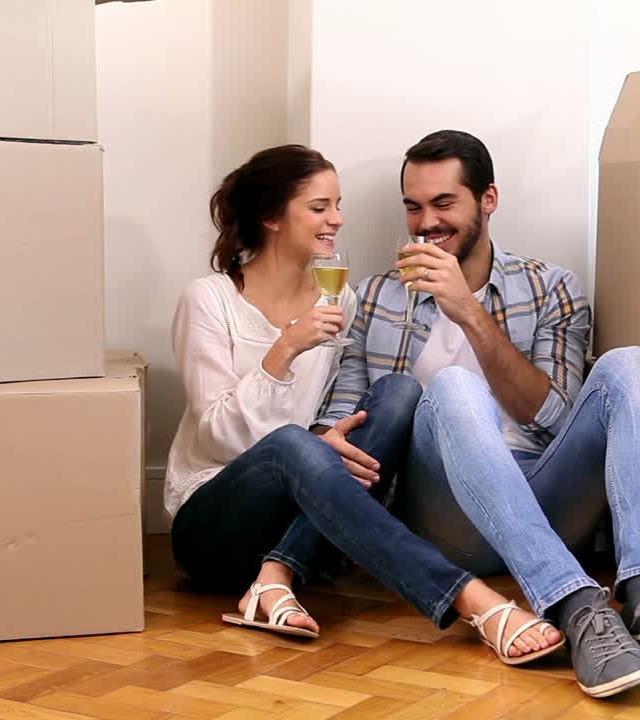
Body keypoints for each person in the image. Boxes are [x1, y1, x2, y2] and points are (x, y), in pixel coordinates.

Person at [316, 130, 640, 698]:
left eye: (444, 204)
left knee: (631, 363)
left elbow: (552, 419)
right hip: (444, 516)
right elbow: (342, 418)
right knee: (452, 387)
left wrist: (468, 312)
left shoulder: (552, 289)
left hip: (547, 500)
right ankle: (575, 604)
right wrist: (330, 438)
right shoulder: (376, 296)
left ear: (488, 200)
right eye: (414, 207)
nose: (426, 223)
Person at [163, 144, 563, 664]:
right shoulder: (209, 300)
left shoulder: (339, 298)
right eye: (319, 207)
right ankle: (472, 599)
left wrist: (325, 441)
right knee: (291, 444)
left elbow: (336, 408)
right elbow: (217, 433)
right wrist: (286, 349)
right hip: (213, 522)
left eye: (338, 204)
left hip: (300, 508)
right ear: (270, 217)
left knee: (399, 392)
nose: (338, 219)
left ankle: (275, 575)